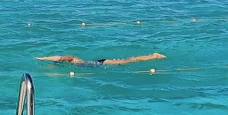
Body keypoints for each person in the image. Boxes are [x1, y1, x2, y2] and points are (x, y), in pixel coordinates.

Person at [36, 52, 165, 66]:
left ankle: (153, 56)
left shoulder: (71, 59)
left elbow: (63, 57)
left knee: (129, 61)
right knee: (129, 59)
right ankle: (152, 56)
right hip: (98, 63)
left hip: (101, 63)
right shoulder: (68, 63)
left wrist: (44, 58)